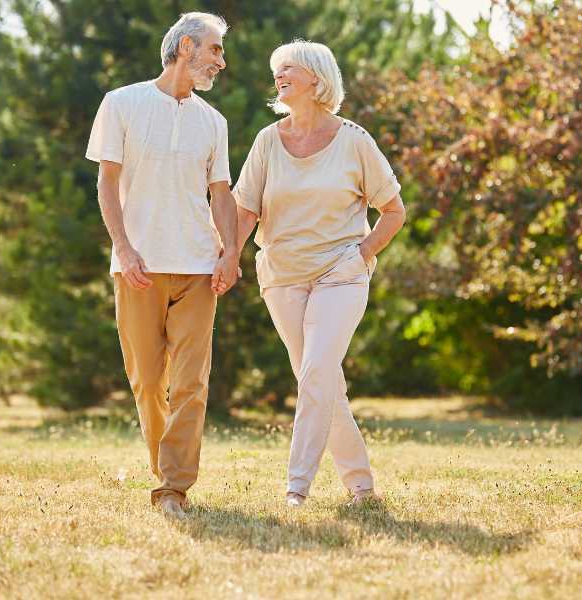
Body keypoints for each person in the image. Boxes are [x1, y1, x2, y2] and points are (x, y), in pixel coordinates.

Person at [233, 40, 407, 507]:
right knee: (323, 382)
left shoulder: (354, 139)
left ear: (316, 77)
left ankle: (296, 488)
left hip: (340, 274)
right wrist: (227, 255)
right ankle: (362, 487)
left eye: (289, 68)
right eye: (277, 69)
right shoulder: (268, 141)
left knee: (315, 373)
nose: (279, 75)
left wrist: (363, 254)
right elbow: (245, 210)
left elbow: (393, 210)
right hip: (282, 276)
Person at [85, 12, 240, 520]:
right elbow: (107, 184)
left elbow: (221, 193)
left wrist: (231, 251)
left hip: (198, 266)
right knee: (148, 380)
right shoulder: (122, 104)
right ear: (187, 47)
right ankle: (163, 466)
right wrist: (124, 249)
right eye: (215, 50)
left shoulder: (213, 121)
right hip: (138, 267)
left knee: (192, 382)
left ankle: (174, 485)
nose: (221, 60)